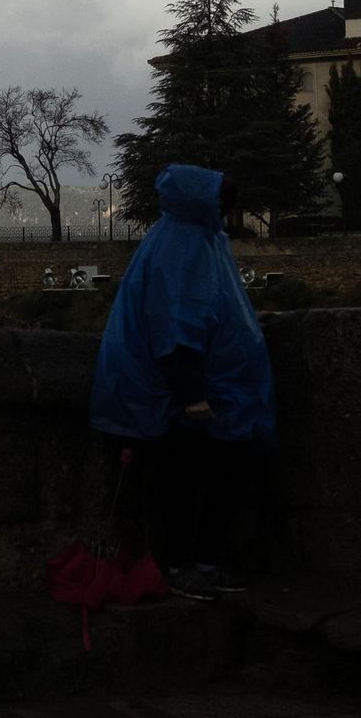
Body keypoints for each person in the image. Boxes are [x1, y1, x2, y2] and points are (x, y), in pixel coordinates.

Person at [89, 164, 274, 601]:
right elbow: (174, 322)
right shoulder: (182, 244)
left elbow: (214, 302)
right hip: (174, 394)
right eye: (221, 201)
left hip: (203, 386)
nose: (227, 210)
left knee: (212, 473)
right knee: (186, 479)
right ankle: (183, 565)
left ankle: (204, 562)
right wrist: (190, 396)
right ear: (204, 201)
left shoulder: (200, 238)